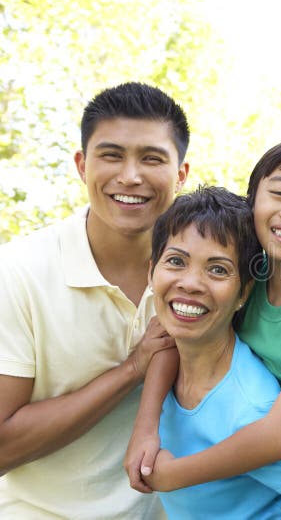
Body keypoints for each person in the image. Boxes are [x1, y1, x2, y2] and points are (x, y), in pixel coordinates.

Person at [125, 137, 281, 518]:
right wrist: (145, 428)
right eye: (279, 193)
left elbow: (279, 439)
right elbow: (170, 338)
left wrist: (174, 474)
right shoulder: (251, 265)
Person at [0, 82, 189, 518]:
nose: (130, 176)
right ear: (82, 165)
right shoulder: (18, 272)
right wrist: (132, 370)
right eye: (111, 155)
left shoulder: (211, 274)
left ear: (181, 174)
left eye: (152, 158)